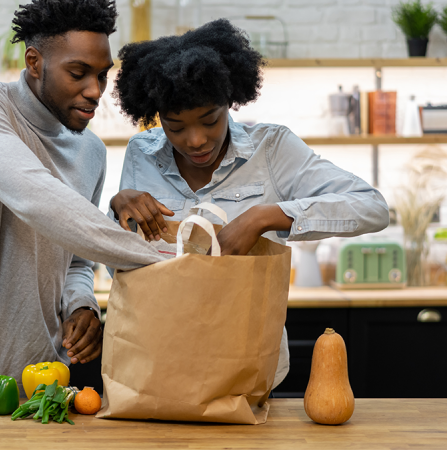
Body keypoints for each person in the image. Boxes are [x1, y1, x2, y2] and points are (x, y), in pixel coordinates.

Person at [107, 19, 390, 390]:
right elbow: (123, 267)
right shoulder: (141, 154)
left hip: (248, 367)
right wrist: (118, 208)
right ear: (157, 117)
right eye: (175, 127)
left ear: (230, 101)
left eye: (210, 120)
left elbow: (371, 206)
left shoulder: (271, 149)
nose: (195, 140)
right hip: (158, 362)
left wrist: (266, 215)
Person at [0, 0, 167, 398]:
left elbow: (76, 260)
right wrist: (174, 264)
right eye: (78, 73)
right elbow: (39, 199)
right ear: (34, 62)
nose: (94, 92)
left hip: (44, 378)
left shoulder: (92, 152)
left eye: (102, 76)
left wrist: (82, 305)